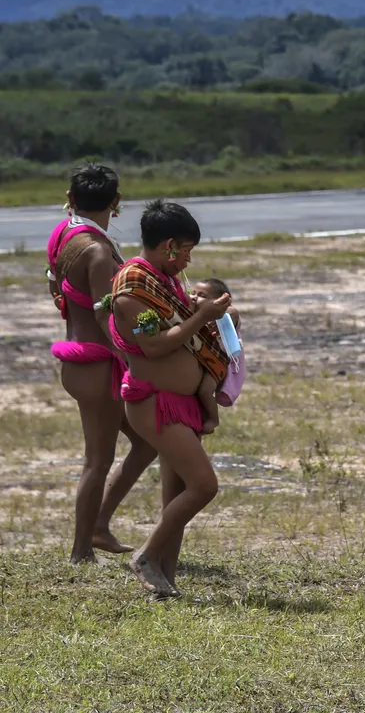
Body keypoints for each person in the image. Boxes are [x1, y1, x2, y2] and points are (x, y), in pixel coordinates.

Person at [109, 200, 232, 597]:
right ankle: (146, 556)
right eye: (187, 251)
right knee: (204, 486)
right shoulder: (132, 288)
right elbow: (156, 346)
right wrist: (202, 317)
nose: (189, 260)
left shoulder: (165, 282)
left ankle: (166, 578)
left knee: (177, 494)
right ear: (168, 246)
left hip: (181, 404)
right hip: (155, 404)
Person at [46, 163, 158, 564]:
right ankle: (80, 552)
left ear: (71, 198)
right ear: (116, 202)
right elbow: (105, 317)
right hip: (98, 366)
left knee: (146, 442)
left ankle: (98, 527)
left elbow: (55, 289)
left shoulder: (64, 235)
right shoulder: (97, 250)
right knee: (98, 460)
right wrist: (140, 358)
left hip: (78, 360)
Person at [190, 278, 241, 433]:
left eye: (202, 295)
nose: (194, 297)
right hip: (203, 360)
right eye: (193, 293)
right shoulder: (195, 313)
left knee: (205, 391)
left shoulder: (223, 313)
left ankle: (213, 418)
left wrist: (225, 315)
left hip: (217, 362)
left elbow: (232, 312)